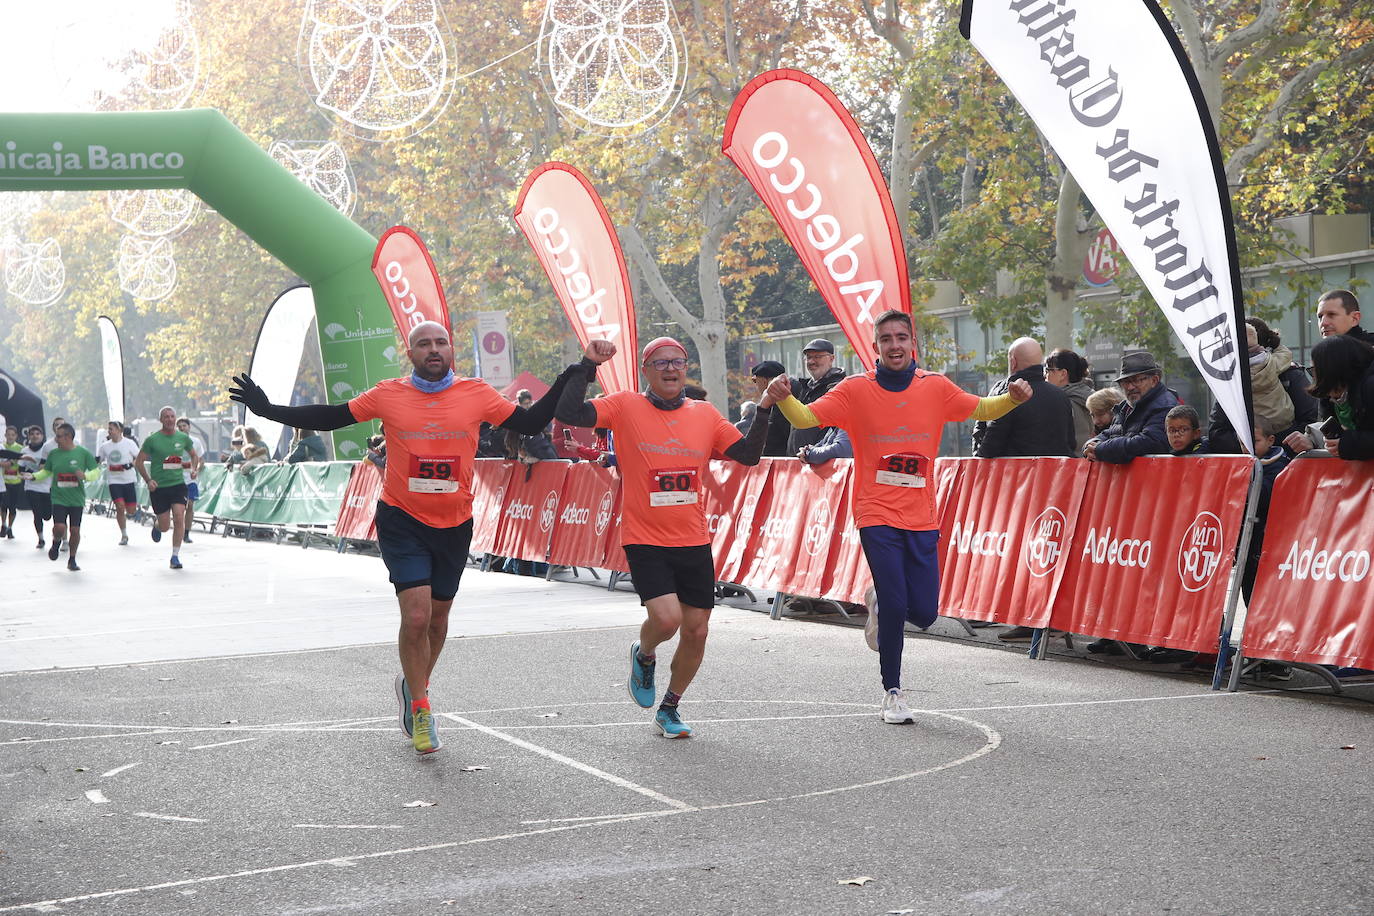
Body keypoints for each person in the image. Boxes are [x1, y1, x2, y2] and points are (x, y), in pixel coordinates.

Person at [229, 319, 585, 756]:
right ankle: (421, 707)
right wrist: (269, 411)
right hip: (402, 519)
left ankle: (412, 682)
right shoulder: (388, 394)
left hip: (455, 522)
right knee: (416, 617)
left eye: (440, 343)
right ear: (411, 353)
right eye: (424, 344)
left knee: (437, 620)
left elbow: (530, 421)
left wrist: (568, 377)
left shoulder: (476, 393)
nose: (433, 349)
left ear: (451, 350)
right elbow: (333, 416)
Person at [768, 309, 1031, 724]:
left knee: (925, 612)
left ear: (913, 344)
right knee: (895, 602)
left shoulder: (936, 388)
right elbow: (806, 417)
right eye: (886, 339)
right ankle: (893, 691)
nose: (894, 345)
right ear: (875, 347)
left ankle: (876, 602)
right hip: (875, 511)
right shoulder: (855, 390)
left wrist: (1012, 400)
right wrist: (783, 396)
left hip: (921, 513)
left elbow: (982, 408)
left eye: (901, 338)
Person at [556, 336, 774, 738]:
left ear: (686, 367)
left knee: (697, 630)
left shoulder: (705, 414)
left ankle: (670, 707)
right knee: (667, 619)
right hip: (644, 535)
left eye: (677, 361)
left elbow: (747, 455)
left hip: (692, 538)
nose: (670, 369)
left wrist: (763, 410)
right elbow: (569, 410)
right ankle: (645, 652)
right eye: (660, 363)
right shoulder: (624, 406)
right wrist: (588, 364)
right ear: (645, 370)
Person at [1210, 317, 1316, 453]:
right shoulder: (1233, 380)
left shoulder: (1289, 374)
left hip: (1284, 460)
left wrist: (1256, 445)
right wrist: (1260, 444)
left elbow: (1309, 423)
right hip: (1277, 457)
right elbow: (1217, 434)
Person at [973, 337, 1075, 458]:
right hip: (1055, 475)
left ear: (1013, 361)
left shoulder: (1009, 396)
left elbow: (990, 446)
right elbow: (1070, 443)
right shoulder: (1062, 397)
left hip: (1013, 475)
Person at [1082, 352, 1180, 463]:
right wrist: (1090, 446)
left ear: (1154, 380)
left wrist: (1101, 449)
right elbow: (1109, 433)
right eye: (1125, 382)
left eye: (1136, 380)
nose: (1130, 387)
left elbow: (1150, 442)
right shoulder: (1125, 407)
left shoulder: (1165, 405)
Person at [134, 406, 198, 570]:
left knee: (178, 517)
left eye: (172, 416)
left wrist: (193, 469)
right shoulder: (152, 440)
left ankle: (175, 556)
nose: (170, 419)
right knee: (164, 526)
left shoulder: (183, 438)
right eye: (166, 417)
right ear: (161, 420)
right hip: (159, 487)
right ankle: (157, 525)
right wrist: (148, 480)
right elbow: (139, 462)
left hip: (178, 485)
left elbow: (194, 456)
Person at [1293, 334, 1374, 461]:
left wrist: (1348, 444)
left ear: (1332, 368)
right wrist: (1314, 440)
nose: (1313, 377)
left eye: (1314, 370)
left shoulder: (1369, 387)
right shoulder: (1330, 398)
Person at [33, 422, 99, 571]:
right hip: (59, 497)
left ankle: (72, 559)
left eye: (58, 436)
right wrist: (33, 477)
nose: (56, 440)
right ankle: (56, 542)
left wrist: (85, 476)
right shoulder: (54, 454)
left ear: (68, 437)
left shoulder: (83, 453)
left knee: (75, 530)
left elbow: (96, 471)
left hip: (76, 498)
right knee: (59, 527)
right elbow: (46, 472)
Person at [787, 338, 846, 453]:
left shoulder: (839, 387)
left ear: (831, 359)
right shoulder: (805, 387)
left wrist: (816, 452)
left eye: (817, 357)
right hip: (799, 460)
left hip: (821, 460)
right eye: (809, 357)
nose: (812, 361)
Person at [97, 419, 140, 545]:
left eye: (112, 429)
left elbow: (139, 457)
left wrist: (131, 464)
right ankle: (124, 534)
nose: (109, 431)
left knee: (131, 510)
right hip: (114, 481)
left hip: (129, 479)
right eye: (108, 429)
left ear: (120, 430)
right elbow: (98, 461)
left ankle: (130, 515)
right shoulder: (105, 446)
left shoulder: (129, 443)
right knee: (120, 507)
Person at [1044, 348, 1096, 453]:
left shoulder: (1062, 401)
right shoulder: (1090, 395)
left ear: (1063, 374)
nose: (1045, 375)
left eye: (1048, 370)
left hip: (1070, 463)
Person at [18, 424, 54, 549]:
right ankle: (41, 538)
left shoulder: (47, 449)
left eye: (37, 434)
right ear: (28, 437)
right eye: (32, 434)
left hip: (46, 486)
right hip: (31, 487)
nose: (35, 436)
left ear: (42, 436)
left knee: (47, 516)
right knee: (37, 514)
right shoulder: (24, 451)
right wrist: (27, 474)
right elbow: (20, 469)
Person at [749, 361, 792, 456]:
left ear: (764, 381)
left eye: (756, 381)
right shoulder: (791, 397)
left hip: (783, 463)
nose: (756, 386)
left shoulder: (780, 403)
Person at [176, 417, 206, 542]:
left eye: (184, 426)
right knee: (179, 509)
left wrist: (196, 470)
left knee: (190, 505)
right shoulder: (174, 442)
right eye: (180, 426)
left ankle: (186, 534)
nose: (182, 428)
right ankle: (179, 529)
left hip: (191, 479)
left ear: (189, 427)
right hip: (177, 479)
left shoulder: (196, 442)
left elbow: (201, 461)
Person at [1, 424, 22, 539]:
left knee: (12, 507)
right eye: (8, 435)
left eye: (12, 435)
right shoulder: (2, 447)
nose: (10, 437)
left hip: (16, 481)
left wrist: (12, 463)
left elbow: (19, 463)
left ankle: (10, 528)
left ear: (16, 436)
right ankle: (3, 525)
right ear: (5, 435)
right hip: (3, 482)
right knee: (3, 506)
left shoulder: (20, 448)